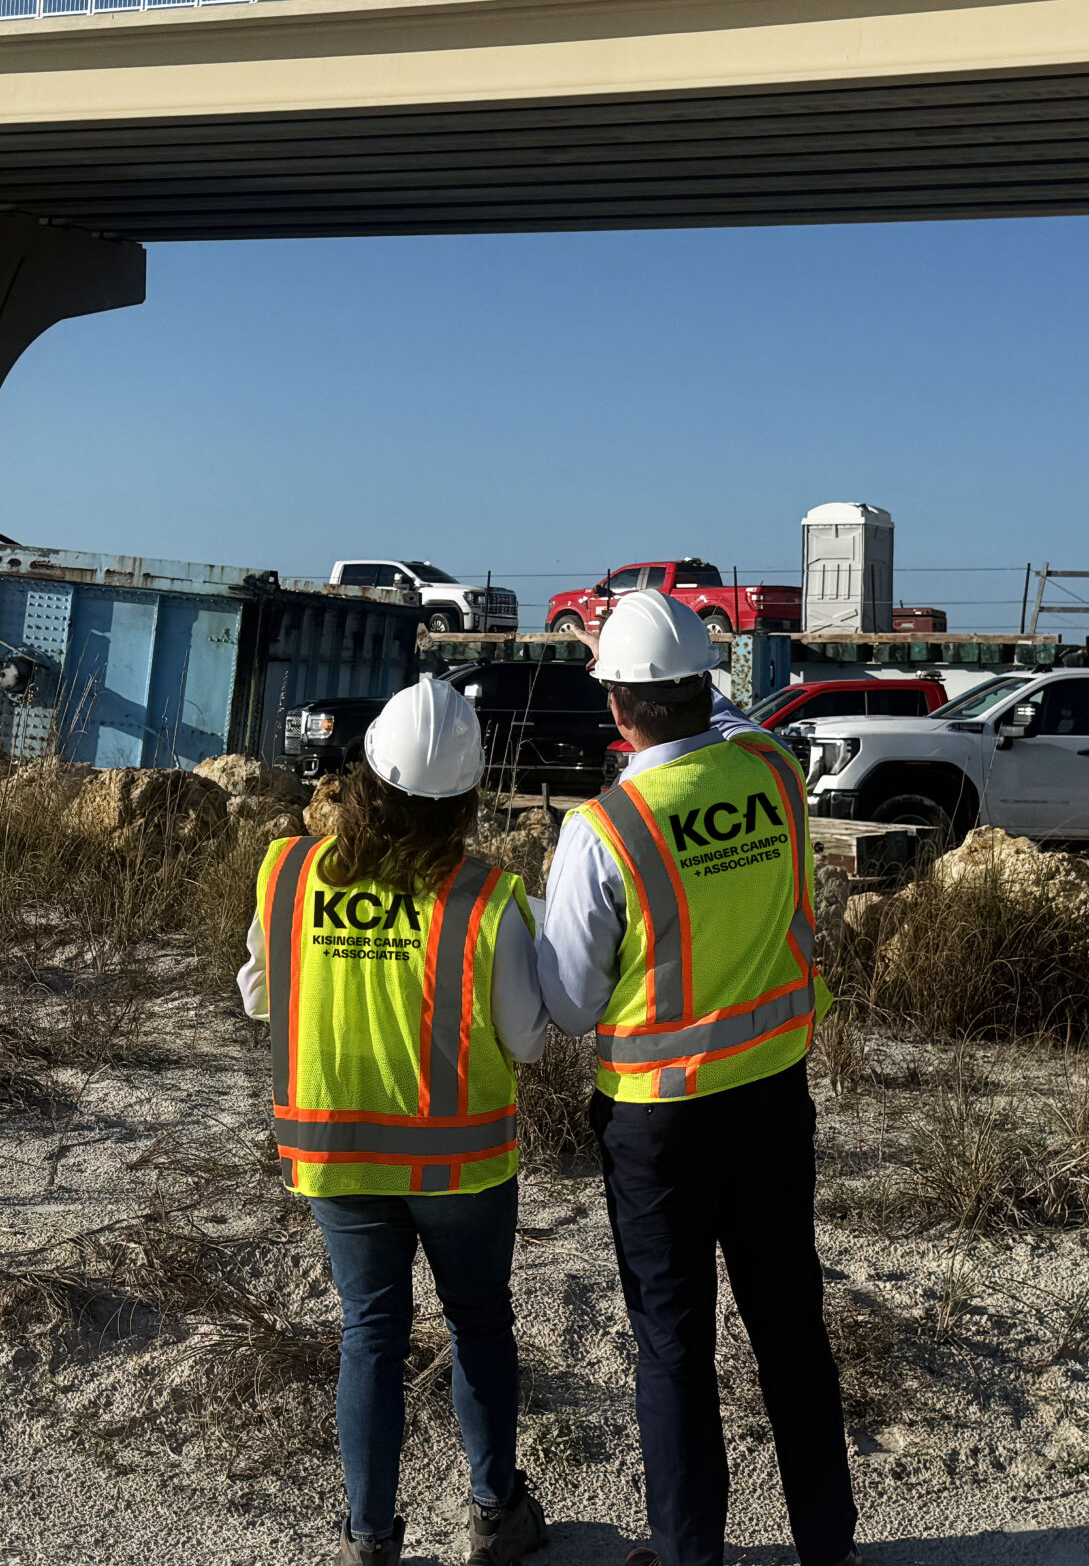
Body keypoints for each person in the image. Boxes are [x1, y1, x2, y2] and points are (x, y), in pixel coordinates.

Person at [538, 590, 860, 1566]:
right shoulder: (769, 767)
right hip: (771, 1098)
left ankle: (689, 1556)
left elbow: (568, 1004)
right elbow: (719, 719)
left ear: (616, 707)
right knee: (790, 1327)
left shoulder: (607, 831)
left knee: (674, 1348)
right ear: (700, 686)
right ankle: (828, 1546)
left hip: (659, 1128)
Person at [237, 675, 552, 1566]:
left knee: (370, 1332)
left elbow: (260, 994)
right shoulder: (489, 897)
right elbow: (527, 1042)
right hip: (462, 1170)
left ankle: (369, 1539)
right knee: (478, 1326)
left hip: (335, 1154)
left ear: (365, 775)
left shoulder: (288, 871)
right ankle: (496, 1515)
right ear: (465, 799)